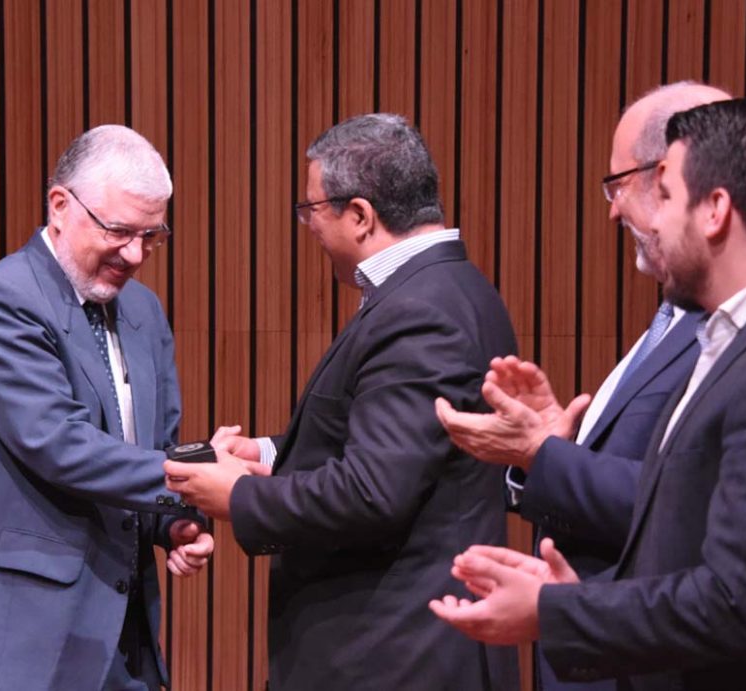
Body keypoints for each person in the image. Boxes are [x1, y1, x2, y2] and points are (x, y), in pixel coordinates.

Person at [430, 99, 746, 691]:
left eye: (668, 196)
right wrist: (573, 595)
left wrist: (554, 611)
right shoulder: (745, 343)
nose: (652, 221)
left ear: (716, 211)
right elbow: (688, 533)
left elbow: (737, 601)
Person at [164, 113, 519, 690]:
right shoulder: (444, 289)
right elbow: (390, 444)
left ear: (359, 215)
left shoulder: (422, 312)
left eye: (310, 210)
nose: (307, 226)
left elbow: (374, 491)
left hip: (398, 655)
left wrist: (241, 495)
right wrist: (267, 454)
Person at [435, 81, 729, 690]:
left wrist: (540, 454)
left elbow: (687, 503)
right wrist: (549, 445)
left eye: (618, 184)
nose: (613, 210)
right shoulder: (676, 320)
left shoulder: (726, 334)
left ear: (675, 177)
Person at [0, 125, 214, 691]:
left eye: (152, 236)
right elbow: (58, 444)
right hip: (15, 642)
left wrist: (175, 521)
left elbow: (146, 454)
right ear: (59, 205)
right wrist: (197, 474)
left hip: (122, 641)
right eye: (120, 231)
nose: (135, 254)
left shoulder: (144, 311)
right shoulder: (1, 298)